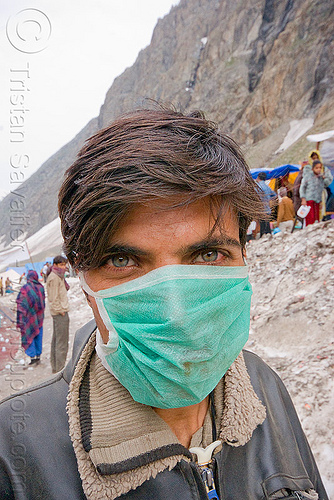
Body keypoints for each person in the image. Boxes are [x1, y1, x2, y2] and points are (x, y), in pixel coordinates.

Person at [0, 109, 328, 500]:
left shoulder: (266, 389)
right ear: (85, 284)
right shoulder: (13, 454)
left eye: (208, 255)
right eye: (122, 261)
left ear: (244, 256)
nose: (175, 314)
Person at [16, 270, 45, 366]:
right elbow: (42, 303)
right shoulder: (41, 287)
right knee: (38, 335)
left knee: (30, 335)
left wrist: (20, 318)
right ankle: (38, 356)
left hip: (29, 317)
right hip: (39, 317)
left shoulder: (25, 288)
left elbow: (21, 304)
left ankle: (32, 358)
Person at [47, 255, 70, 373]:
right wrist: (60, 310)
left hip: (60, 312)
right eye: (61, 264)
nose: (64, 267)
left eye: (64, 264)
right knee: (62, 343)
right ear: (55, 265)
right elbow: (53, 298)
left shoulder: (58, 276)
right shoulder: (54, 277)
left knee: (57, 340)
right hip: (60, 313)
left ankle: (56, 368)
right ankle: (60, 370)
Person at [300, 159, 333, 226]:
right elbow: (302, 187)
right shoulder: (308, 176)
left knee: (316, 218)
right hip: (309, 200)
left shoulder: (321, 177)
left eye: (320, 168)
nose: (318, 169)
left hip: (317, 201)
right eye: (316, 168)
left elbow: (325, 185)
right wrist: (303, 198)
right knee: (310, 218)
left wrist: (325, 178)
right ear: (313, 168)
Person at [256, 171, 277, 236]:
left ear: (259, 177)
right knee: (267, 225)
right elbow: (274, 195)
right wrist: (268, 200)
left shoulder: (257, 187)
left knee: (262, 227)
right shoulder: (267, 187)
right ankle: (269, 236)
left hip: (261, 209)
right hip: (267, 209)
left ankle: (263, 238)